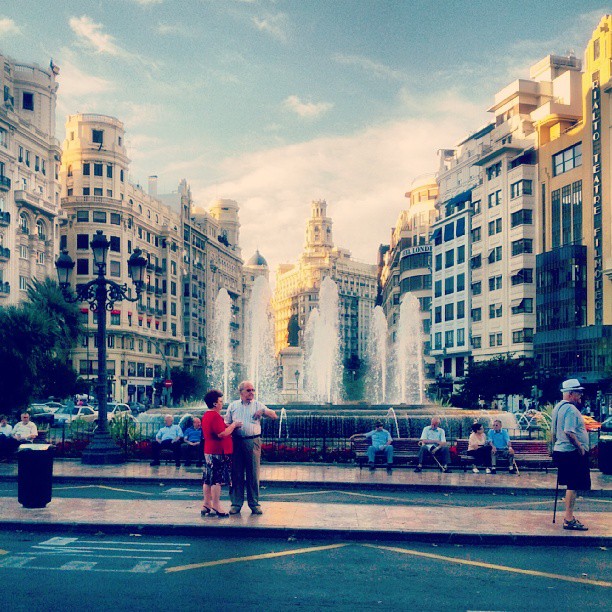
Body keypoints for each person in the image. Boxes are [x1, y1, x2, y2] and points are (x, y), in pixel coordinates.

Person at [225, 380, 277, 515]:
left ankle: (254, 504)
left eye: (253, 390)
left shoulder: (258, 405)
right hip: (236, 441)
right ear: (241, 392)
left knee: (253, 473)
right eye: (248, 390)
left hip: (253, 441)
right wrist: (233, 426)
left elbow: (274, 415)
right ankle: (236, 504)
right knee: (236, 473)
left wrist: (263, 411)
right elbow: (226, 423)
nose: (252, 392)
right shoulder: (233, 406)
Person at [552, 378, 591, 531]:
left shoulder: (558, 408)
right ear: (570, 394)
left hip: (562, 451)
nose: (581, 395)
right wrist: (580, 447)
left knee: (571, 484)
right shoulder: (570, 409)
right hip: (571, 452)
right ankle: (568, 519)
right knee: (573, 485)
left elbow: (554, 432)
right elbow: (569, 431)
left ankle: (569, 517)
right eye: (578, 392)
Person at [201, 390, 243, 517]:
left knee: (208, 478)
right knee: (216, 480)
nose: (222, 403)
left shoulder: (207, 415)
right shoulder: (215, 416)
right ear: (215, 403)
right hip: (217, 451)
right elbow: (222, 434)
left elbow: (218, 429)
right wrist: (233, 425)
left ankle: (206, 504)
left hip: (209, 450)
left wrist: (227, 425)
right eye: (220, 401)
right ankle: (216, 505)